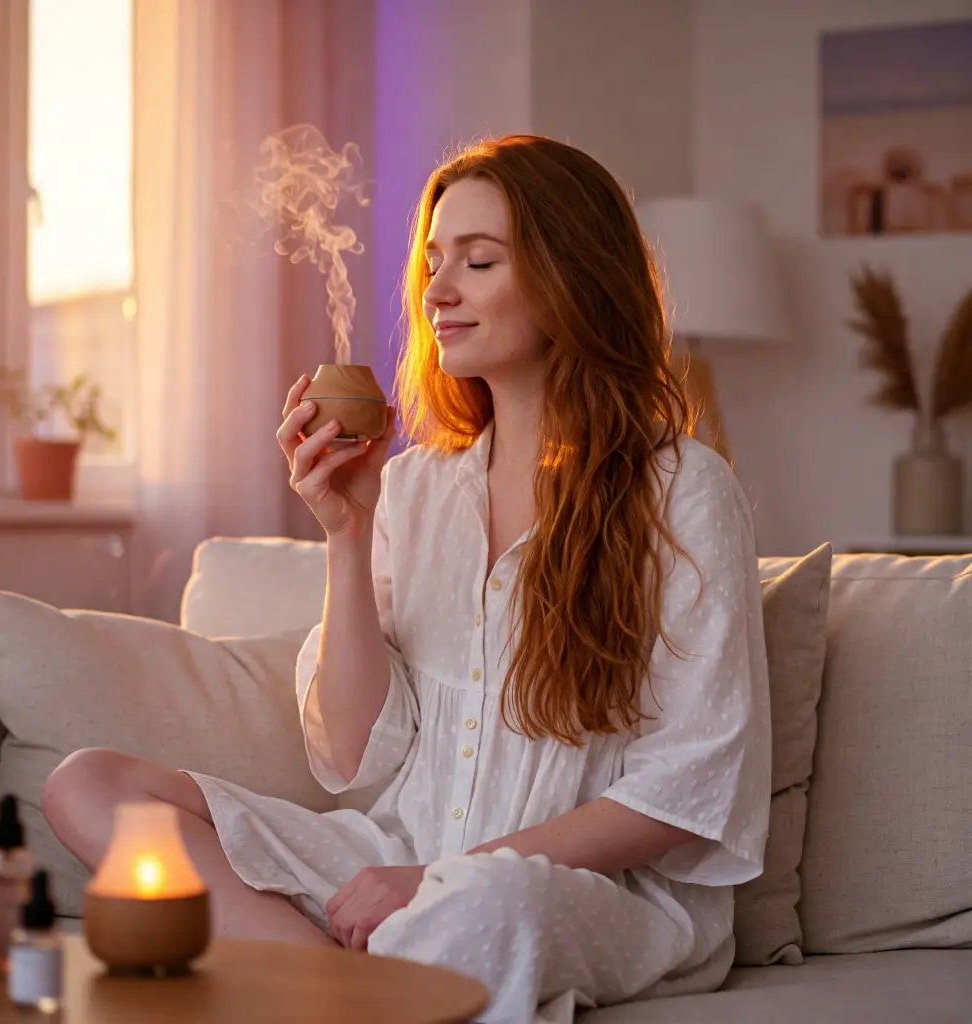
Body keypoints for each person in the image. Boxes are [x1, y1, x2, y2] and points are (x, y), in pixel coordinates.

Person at [42, 135, 771, 1024]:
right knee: (90, 784)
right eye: (432, 261)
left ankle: (342, 984)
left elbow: (683, 793)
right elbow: (355, 755)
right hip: (396, 856)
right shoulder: (419, 487)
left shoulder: (683, 489)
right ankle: (352, 995)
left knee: (486, 906)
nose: (438, 290)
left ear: (570, 275)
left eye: (479, 260)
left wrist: (436, 881)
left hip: (583, 895)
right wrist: (346, 532)